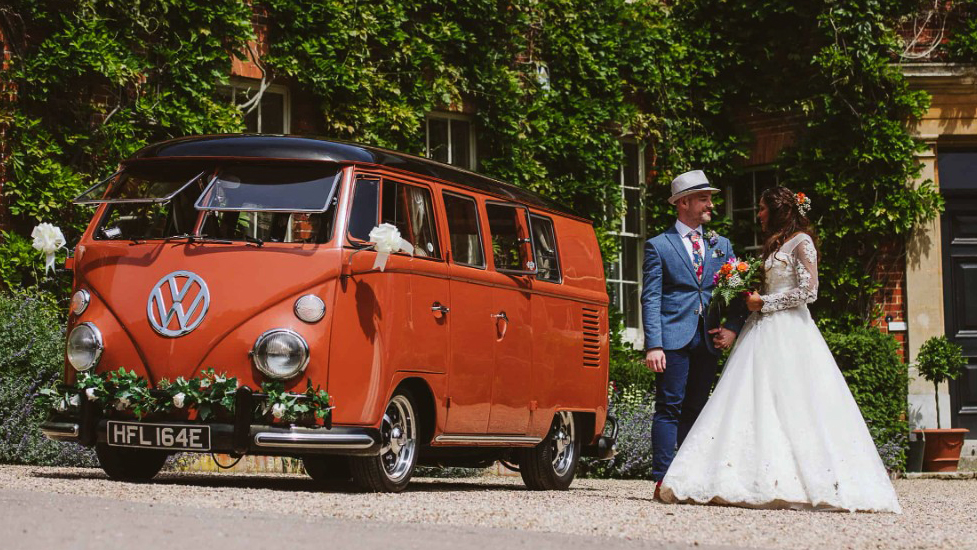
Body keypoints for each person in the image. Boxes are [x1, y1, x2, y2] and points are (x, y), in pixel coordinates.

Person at [659, 186, 902, 513]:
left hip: (790, 331)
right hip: (761, 330)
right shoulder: (774, 243)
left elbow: (810, 291)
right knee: (753, 402)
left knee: (796, 402)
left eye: (761, 209)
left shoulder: (802, 242)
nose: (758, 214)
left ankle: (805, 481)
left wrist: (765, 302)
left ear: (778, 210)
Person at [641, 170, 747, 500]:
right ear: (684, 202)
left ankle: (688, 476)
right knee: (669, 407)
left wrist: (732, 327)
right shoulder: (659, 246)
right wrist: (654, 344)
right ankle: (663, 480)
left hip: (709, 338)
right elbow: (651, 297)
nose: (710, 204)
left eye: (709, 198)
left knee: (698, 410)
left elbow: (736, 290)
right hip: (673, 338)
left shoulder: (721, 244)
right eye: (704, 198)